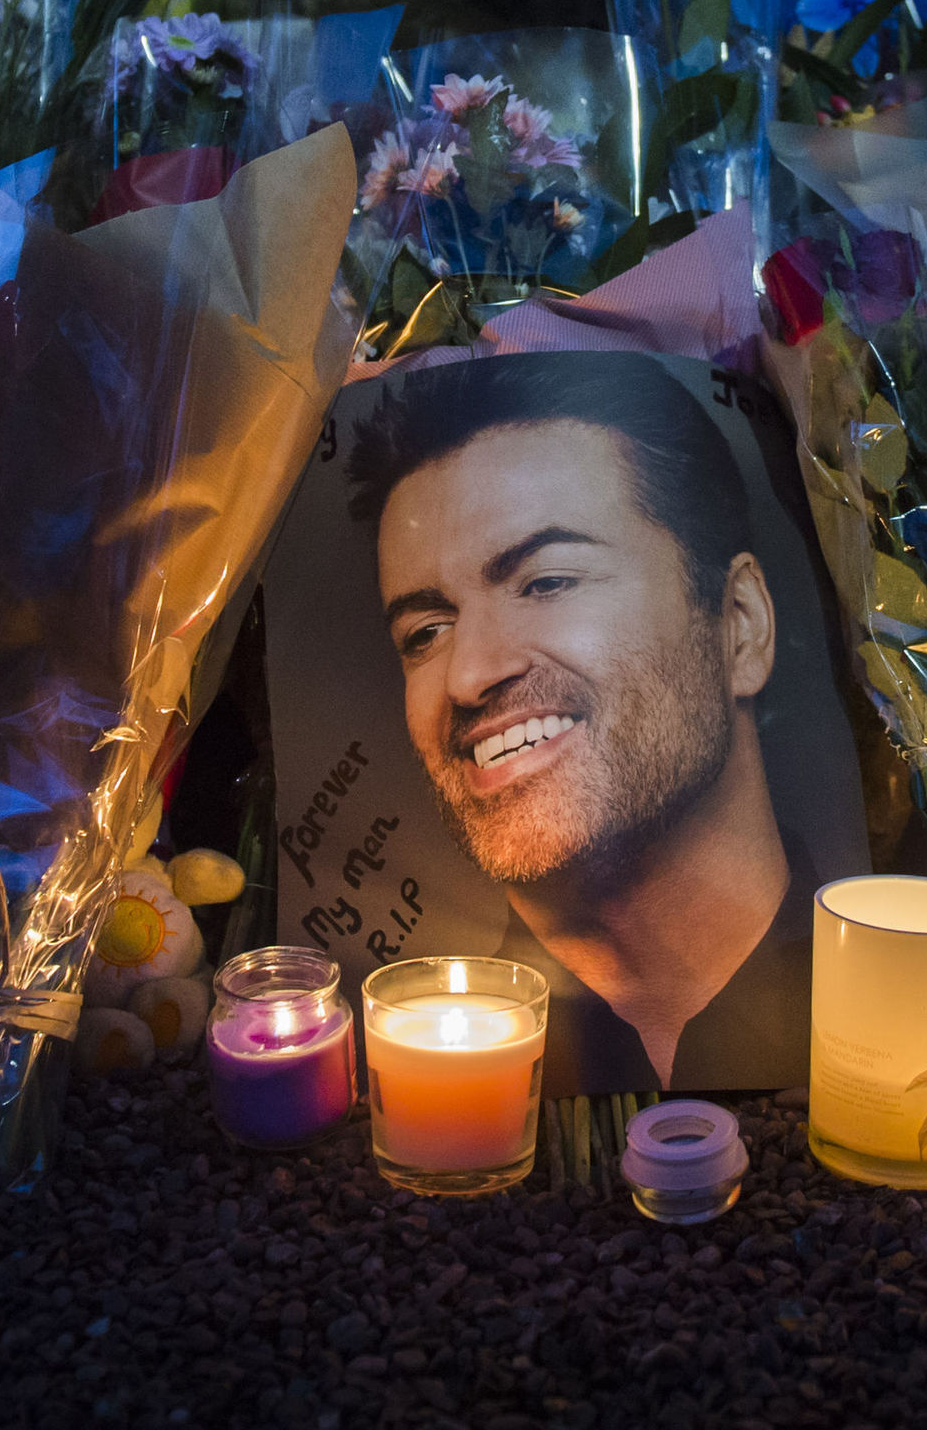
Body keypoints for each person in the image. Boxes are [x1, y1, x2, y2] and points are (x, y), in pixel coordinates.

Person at [346, 354, 813, 1090]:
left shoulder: (891, 1015)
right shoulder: (383, 1050)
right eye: (425, 634)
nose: (468, 677)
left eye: (547, 581)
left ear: (740, 624)